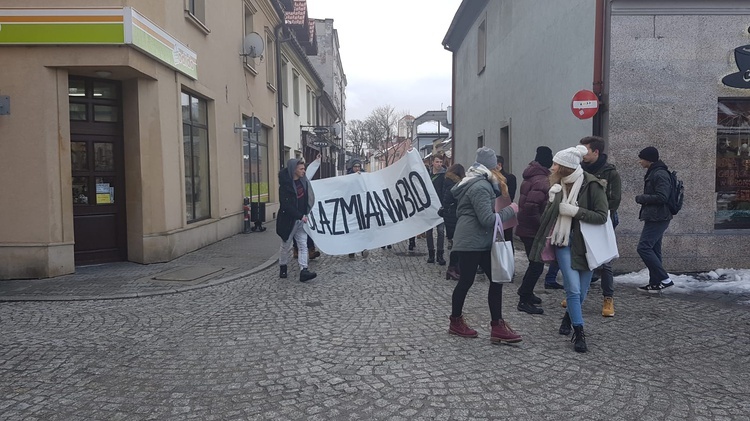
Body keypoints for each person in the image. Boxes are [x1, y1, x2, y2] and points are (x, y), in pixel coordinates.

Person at [530, 145, 608, 353]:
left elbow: (602, 216)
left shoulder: (592, 185)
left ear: (566, 167)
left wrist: (575, 211)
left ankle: (569, 317)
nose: (552, 167)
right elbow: (550, 219)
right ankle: (579, 333)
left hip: (587, 244)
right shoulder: (557, 185)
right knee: (572, 289)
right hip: (563, 242)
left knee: (581, 292)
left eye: (556, 164)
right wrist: (551, 204)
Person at [449, 147, 521, 343]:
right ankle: (456, 322)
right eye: (495, 165)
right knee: (466, 281)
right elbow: (487, 219)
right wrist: (511, 209)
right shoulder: (480, 186)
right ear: (490, 167)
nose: (499, 168)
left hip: (479, 240)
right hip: (472, 241)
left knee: (496, 280)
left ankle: (497, 325)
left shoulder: (477, 181)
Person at [580, 136, 622, 317]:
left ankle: (608, 298)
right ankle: (578, 295)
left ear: (596, 152)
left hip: (603, 220)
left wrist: (598, 212)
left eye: (585, 151)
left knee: (604, 261)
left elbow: (615, 200)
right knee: (580, 257)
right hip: (581, 218)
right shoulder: (579, 169)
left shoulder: (610, 172)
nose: (582, 154)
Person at [515, 146, 554, 315]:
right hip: (532, 230)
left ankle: (527, 293)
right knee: (537, 265)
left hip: (526, 228)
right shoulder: (541, 180)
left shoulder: (531, 176)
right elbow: (531, 208)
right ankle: (524, 299)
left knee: (534, 263)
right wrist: (542, 226)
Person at [635, 146, 675, 292]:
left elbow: (662, 197)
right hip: (655, 216)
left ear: (649, 160)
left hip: (659, 217)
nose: (639, 161)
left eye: (641, 158)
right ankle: (655, 283)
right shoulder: (654, 172)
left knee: (644, 248)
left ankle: (665, 279)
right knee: (654, 250)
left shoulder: (660, 174)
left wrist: (642, 198)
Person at [276, 159, 317, 282]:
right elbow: (286, 205)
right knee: (285, 245)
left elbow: (307, 199)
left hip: (301, 220)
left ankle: (304, 270)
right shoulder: (285, 186)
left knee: (303, 245)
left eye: (304, 169)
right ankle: (283, 267)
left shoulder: (303, 182)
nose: (304, 171)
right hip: (288, 221)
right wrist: (299, 215)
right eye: (301, 169)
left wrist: (305, 214)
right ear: (294, 170)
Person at [441, 163, 465, 280]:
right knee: (457, 244)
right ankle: (452, 268)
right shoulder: (454, 185)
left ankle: (456, 267)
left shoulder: (448, 182)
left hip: (450, 217)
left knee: (456, 243)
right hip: (453, 217)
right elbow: (451, 200)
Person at [346, 159, 370, 258]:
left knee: (363, 229)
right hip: (352, 207)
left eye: (358, 167)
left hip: (362, 206)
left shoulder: (364, 176)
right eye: (355, 167)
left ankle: (363, 248)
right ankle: (352, 249)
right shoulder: (347, 177)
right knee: (352, 229)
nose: (357, 169)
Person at [426, 154, 447, 265]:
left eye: (440, 162)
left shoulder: (444, 175)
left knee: (440, 231)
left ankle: (440, 254)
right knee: (428, 232)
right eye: (437, 162)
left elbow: (445, 190)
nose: (439, 164)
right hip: (429, 207)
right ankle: (431, 254)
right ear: (432, 162)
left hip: (440, 206)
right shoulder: (427, 175)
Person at [496, 155, 517, 246]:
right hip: (503, 212)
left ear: (499, 165)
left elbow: (510, 196)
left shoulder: (509, 178)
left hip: (505, 211)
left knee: (507, 240)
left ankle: (507, 259)